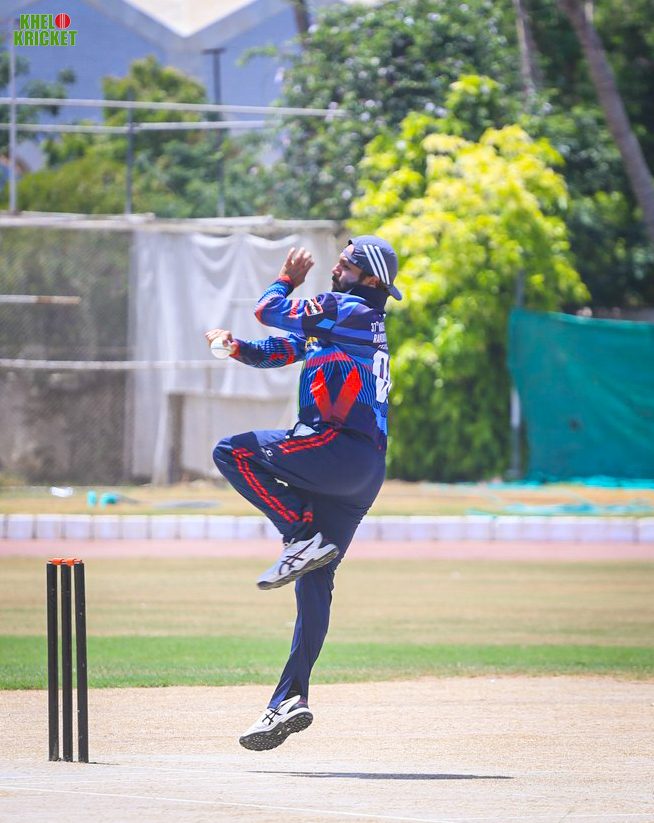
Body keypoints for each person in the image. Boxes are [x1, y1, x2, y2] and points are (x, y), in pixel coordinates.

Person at [206, 235, 401, 751]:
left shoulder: (347, 309)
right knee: (315, 580)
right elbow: (278, 350)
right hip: (362, 470)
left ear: (371, 280)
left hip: (337, 449)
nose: (336, 269)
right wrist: (235, 348)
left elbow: (268, 311)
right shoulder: (344, 323)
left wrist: (286, 280)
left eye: (346, 265)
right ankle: (289, 699)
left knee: (232, 452)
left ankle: (298, 533)